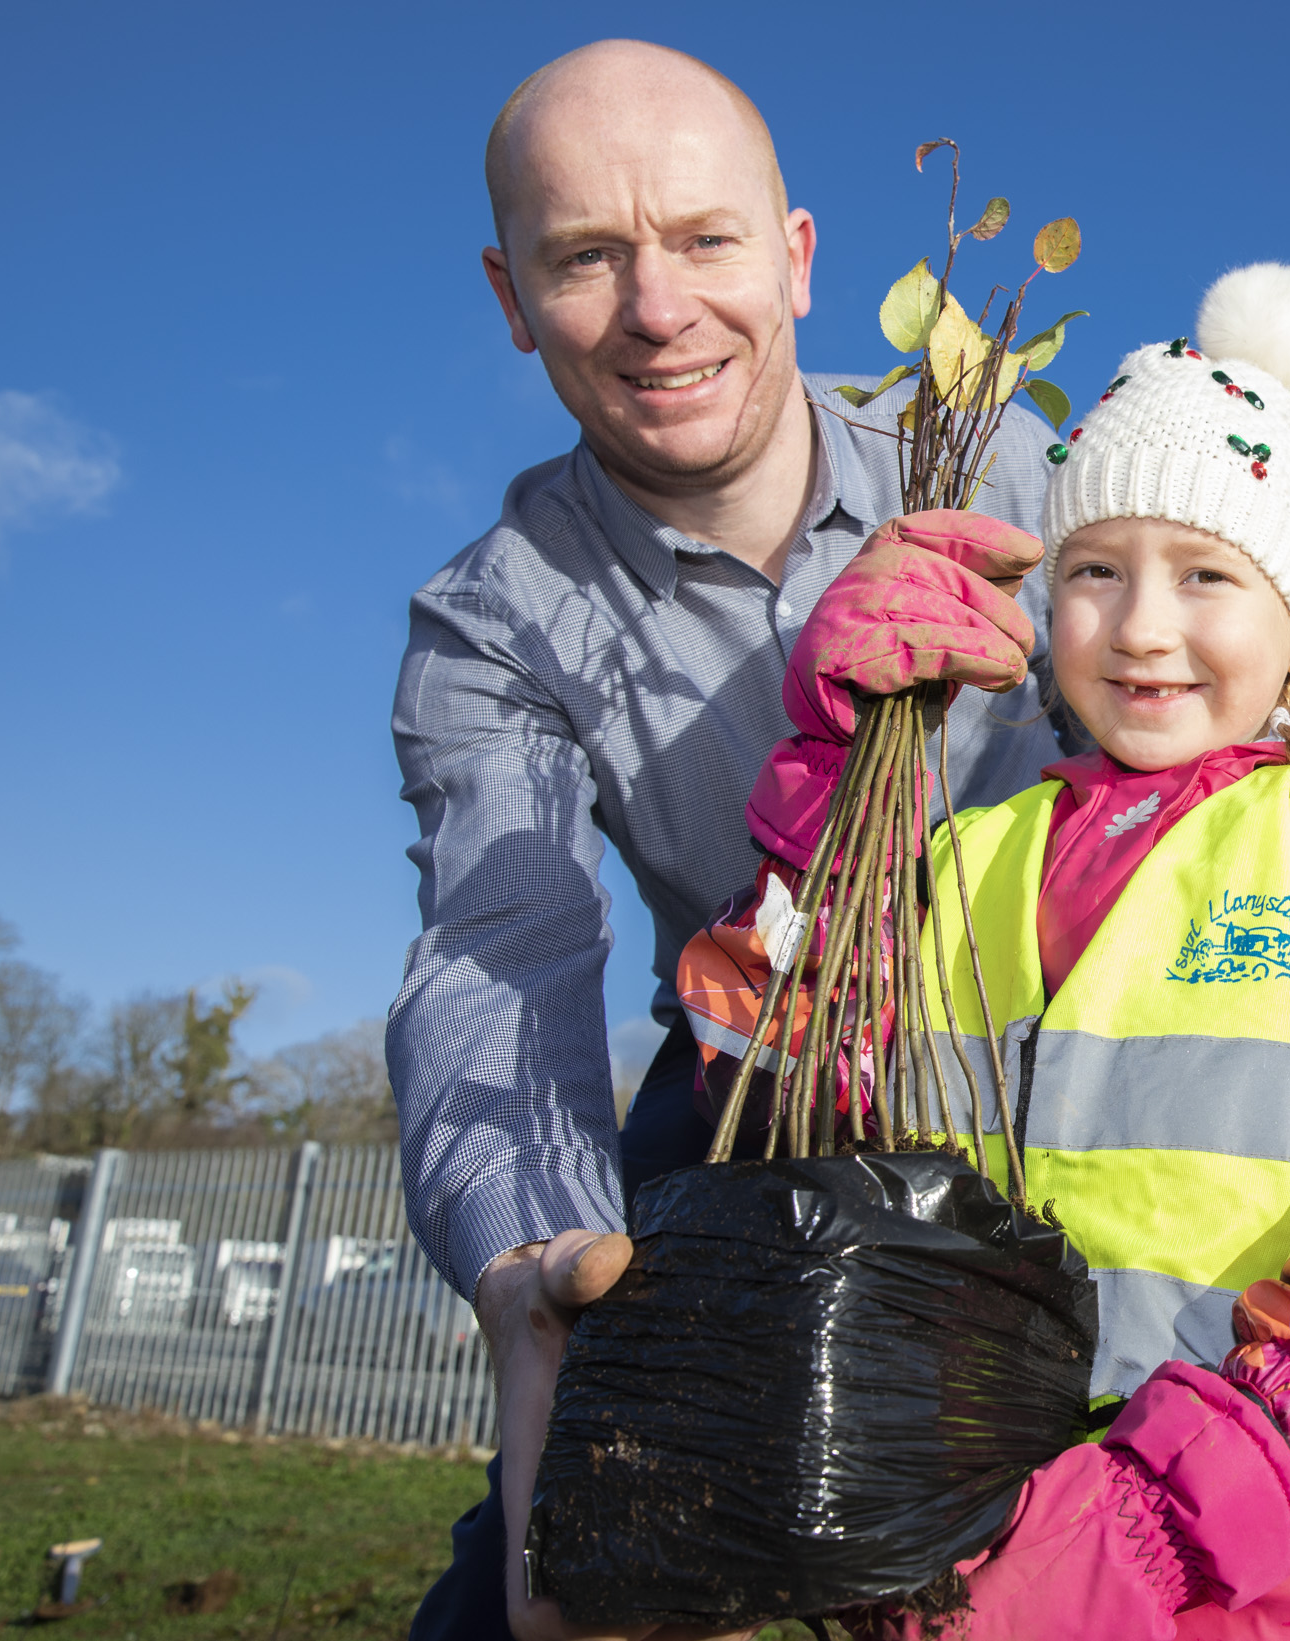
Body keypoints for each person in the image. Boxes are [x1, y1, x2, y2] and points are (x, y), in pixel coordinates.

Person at [676, 264, 1290, 1640]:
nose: (1143, 626)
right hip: (980, 1523)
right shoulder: (969, 856)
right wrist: (830, 786)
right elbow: (770, 1089)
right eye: (1095, 570)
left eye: (1207, 574)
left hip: (1283, 1545)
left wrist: (1205, 1482)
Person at [389, 40, 1069, 1641]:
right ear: (510, 295)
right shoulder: (493, 621)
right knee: (534, 1578)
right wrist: (539, 1269)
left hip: (1067, 1072)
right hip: (754, 1080)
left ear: (799, 257)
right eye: (586, 258)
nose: (658, 309)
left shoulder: (1013, 463)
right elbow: (506, 952)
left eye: (705, 240)